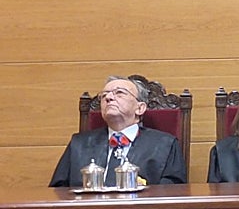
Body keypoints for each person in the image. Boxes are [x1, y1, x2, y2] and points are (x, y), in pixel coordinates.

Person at [50, 76, 188, 187]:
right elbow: (58, 190)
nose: (109, 98)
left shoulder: (165, 144)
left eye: (119, 93)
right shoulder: (78, 144)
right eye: (104, 96)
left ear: (140, 108)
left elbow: (174, 191)